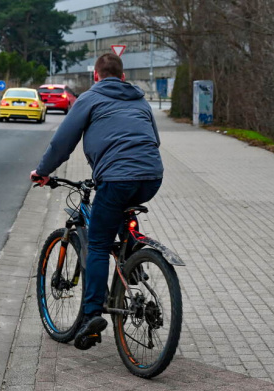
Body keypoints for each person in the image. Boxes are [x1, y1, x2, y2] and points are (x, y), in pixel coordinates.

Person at [30, 53, 164, 350]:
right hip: (152, 177)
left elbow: (62, 142)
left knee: (99, 244)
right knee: (121, 211)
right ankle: (134, 261)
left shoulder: (89, 99)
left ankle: (91, 317)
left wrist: (42, 172)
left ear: (96, 76)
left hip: (116, 179)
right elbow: (154, 139)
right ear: (123, 77)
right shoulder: (140, 101)